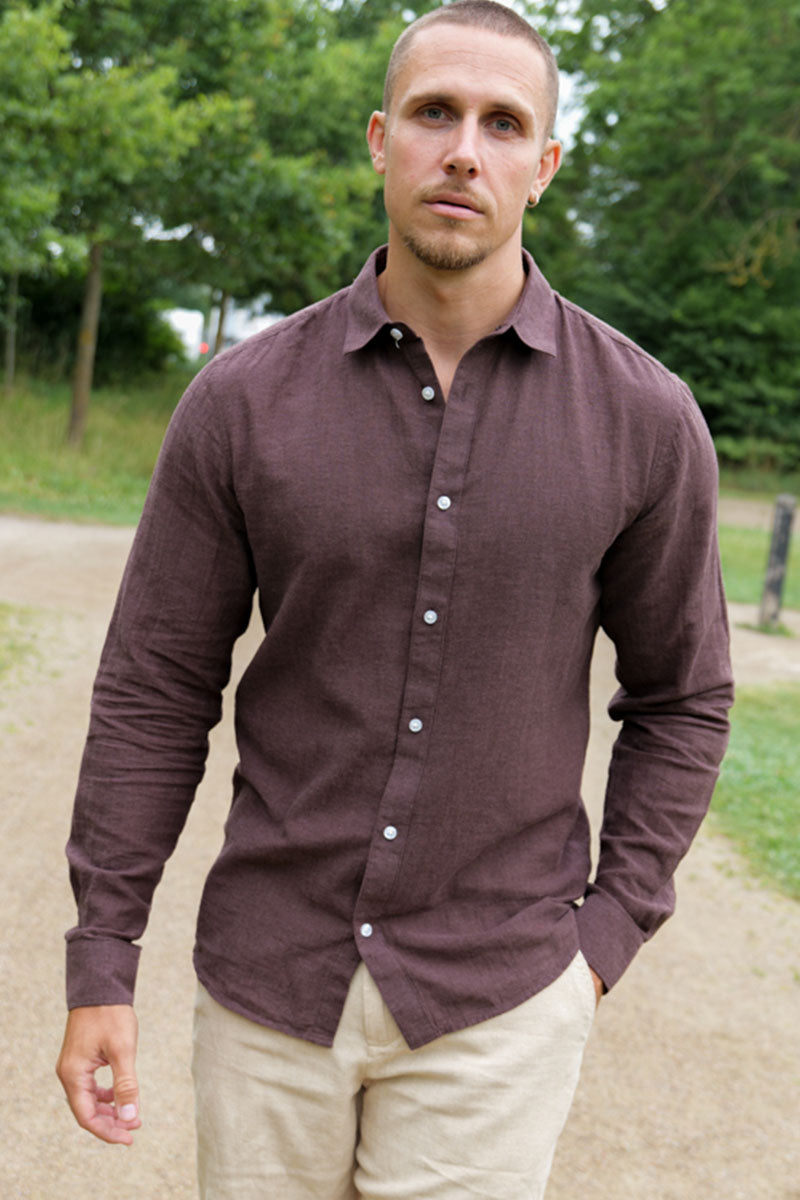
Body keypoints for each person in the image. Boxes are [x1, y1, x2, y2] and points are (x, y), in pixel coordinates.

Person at [56, 3, 734, 1197]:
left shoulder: (643, 419)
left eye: (501, 123)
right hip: (270, 988)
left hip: (499, 1002)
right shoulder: (241, 403)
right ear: (380, 139)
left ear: (543, 163)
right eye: (433, 113)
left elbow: (681, 698)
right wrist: (103, 954)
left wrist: (605, 934)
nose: (463, 150)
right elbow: (155, 686)